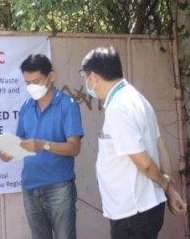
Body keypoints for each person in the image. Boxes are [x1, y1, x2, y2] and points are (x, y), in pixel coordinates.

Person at [79, 46, 187, 239]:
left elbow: (144, 163)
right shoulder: (137, 99)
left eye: (84, 77)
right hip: (146, 207)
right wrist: (168, 190)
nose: (86, 84)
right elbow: (160, 146)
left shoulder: (118, 108)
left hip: (132, 212)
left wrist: (164, 183)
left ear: (94, 77)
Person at [0, 54, 84, 239]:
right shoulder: (26, 107)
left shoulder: (67, 105)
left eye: (36, 81)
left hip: (59, 188)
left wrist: (43, 145)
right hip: (30, 187)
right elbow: (20, 143)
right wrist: (9, 153)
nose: (31, 87)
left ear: (51, 76)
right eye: (27, 82)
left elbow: (74, 148)